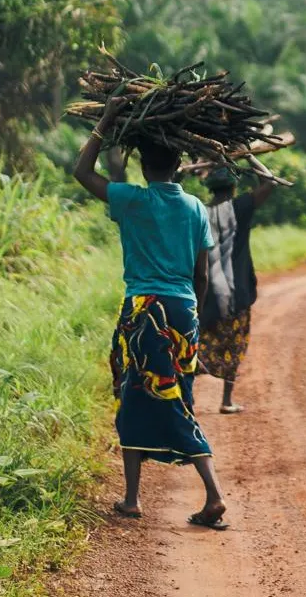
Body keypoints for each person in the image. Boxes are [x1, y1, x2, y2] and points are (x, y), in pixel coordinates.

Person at [73, 98, 229, 530]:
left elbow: (82, 173)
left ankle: (213, 495)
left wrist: (104, 122)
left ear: (143, 166)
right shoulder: (196, 207)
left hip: (144, 312)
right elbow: (201, 274)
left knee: (153, 399)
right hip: (182, 312)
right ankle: (131, 498)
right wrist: (191, 317)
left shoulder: (132, 200)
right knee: (155, 397)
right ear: (178, 165)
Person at [198, 168, 275, 414]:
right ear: (233, 187)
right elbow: (269, 182)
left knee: (200, 343)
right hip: (236, 291)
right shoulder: (240, 206)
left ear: (210, 188)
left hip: (206, 292)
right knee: (234, 343)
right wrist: (249, 161)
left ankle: (186, 398)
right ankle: (226, 400)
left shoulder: (199, 211)